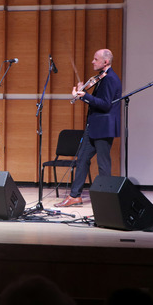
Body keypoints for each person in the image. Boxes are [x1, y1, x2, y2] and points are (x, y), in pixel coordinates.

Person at [55, 49, 122, 207]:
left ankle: (107, 199)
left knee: (103, 164)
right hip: (93, 127)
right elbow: (96, 102)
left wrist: (85, 95)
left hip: (104, 127)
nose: (92, 62)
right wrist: (83, 95)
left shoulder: (111, 79)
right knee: (82, 159)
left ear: (105, 62)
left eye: (95, 59)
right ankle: (74, 196)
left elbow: (105, 105)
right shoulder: (102, 78)